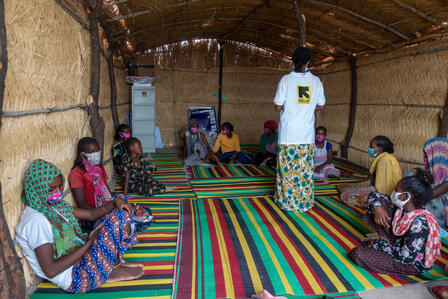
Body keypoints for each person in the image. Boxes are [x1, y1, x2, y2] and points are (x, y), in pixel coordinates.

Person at [15, 159, 144, 294]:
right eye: (52, 189)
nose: (58, 191)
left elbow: (92, 214)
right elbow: (51, 270)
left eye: (60, 186)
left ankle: (114, 263)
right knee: (117, 220)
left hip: (83, 258)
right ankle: (110, 270)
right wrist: (89, 243)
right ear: (37, 189)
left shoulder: (53, 207)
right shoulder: (35, 221)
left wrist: (114, 202)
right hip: (78, 277)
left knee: (120, 203)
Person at [349, 169, 441, 275]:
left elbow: (405, 257)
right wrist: (377, 208)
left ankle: (385, 245)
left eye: (396, 190)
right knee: (379, 203)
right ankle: (387, 241)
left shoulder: (419, 223)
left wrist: (379, 244)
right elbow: (374, 195)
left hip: (409, 264)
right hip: (397, 247)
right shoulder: (402, 207)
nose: (393, 192)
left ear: (405, 196)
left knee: (358, 254)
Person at [273, 47, 325, 212]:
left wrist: (293, 106)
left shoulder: (286, 80)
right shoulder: (316, 81)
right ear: (309, 62)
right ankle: (304, 203)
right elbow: (321, 105)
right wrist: (307, 108)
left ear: (292, 61)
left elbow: (278, 106)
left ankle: (287, 202)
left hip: (288, 135)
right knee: (304, 171)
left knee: (287, 170)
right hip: (306, 135)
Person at [339, 136, 402, 207]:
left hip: (383, 194)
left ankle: (380, 204)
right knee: (342, 187)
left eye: (372, 146)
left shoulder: (385, 161)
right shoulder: (382, 158)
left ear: (380, 149)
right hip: (376, 185)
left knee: (345, 195)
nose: (369, 147)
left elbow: (383, 189)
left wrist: (371, 193)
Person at [69, 137, 112, 210]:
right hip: (92, 213)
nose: (96, 154)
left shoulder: (98, 168)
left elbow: (107, 190)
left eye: (97, 150)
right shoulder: (76, 173)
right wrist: (104, 212)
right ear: (82, 155)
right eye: (91, 152)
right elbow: (82, 204)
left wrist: (113, 202)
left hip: (105, 207)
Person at [423, 137, 448, 230]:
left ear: (439, 156)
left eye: (427, 156)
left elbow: (426, 196)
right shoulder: (439, 176)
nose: (425, 159)